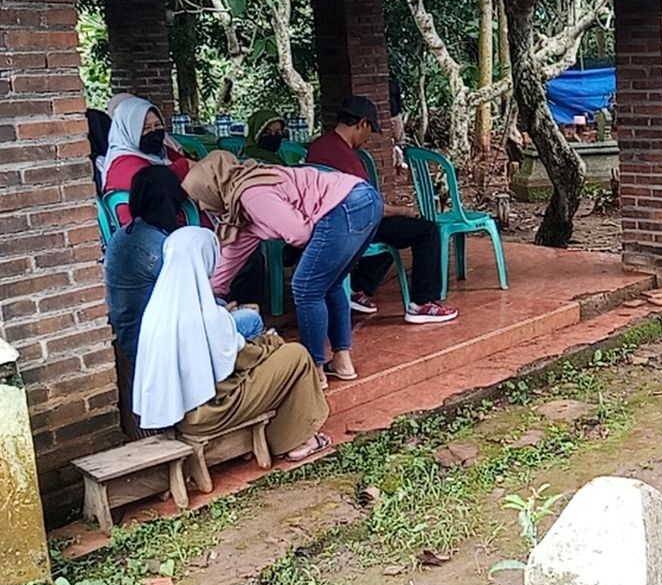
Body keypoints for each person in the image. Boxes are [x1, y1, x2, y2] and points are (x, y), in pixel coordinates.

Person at [182, 151, 382, 385]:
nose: (202, 205)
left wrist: (272, 229)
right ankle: (342, 362)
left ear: (212, 187)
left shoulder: (251, 194)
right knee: (330, 284)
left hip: (346, 205)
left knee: (306, 288)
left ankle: (313, 371)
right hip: (365, 200)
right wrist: (203, 299)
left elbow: (299, 232)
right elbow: (227, 265)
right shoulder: (242, 205)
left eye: (199, 197)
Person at [132, 227, 330, 461]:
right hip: (210, 413)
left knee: (279, 359)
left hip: (178, 412)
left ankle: (287, 434)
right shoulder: (205, 314)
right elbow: (244, 358)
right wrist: (272, 342)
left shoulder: (156, 310)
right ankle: (299, 440)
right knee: (296, 355)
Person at [305, 96, 458, 324]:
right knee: (426, 231)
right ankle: (422, 303)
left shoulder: (317, 147)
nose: (367, 139)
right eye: (369, 130)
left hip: (323, 223)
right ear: (362, 124)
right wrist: (403, 211)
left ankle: (359, 287)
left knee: (392, 235)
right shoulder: (348, 160)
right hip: (352, 224)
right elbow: (369, 206)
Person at [105, 166, 263, 366]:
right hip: (159, 347)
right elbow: (191, 310)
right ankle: (229, 389)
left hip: (130, 336)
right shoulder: (164, 248)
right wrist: (226, 311)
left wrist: (221, 307)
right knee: (251, 319)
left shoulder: (123, 235)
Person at [101, 96, 192, 225]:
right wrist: (185, 166)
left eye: (158, 125)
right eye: (146, 129)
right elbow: (159, 183)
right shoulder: (123, 164)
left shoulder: (160, 152)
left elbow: (185, 162)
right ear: (129, 131)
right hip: (148, 230)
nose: (154, 131)